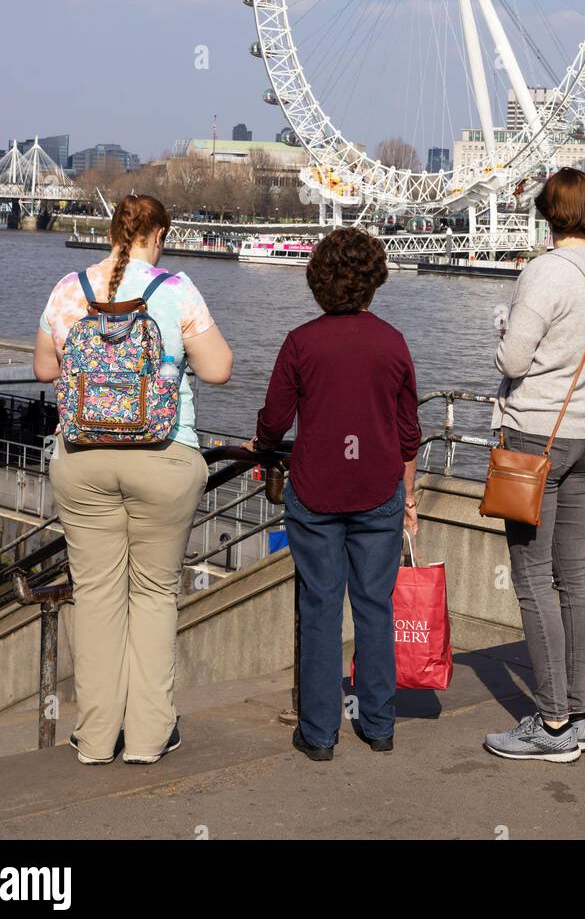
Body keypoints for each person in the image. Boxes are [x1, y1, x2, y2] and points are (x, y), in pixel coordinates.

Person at [33, 194, 233, 766]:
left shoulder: (68, 288)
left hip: (82, 457)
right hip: (164, 457)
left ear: (110, 231)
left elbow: (46, 368)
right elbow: (218, 369)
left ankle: (95, 739)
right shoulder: (175, 289)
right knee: (152, 595)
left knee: (95, 597)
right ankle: (148, 738)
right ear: (158, 234)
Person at [248, 227, 420, 761]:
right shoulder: (393, 342)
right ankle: (380, 725)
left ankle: (320, 734)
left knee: (320, 607)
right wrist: (408, 499)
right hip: (378, 491)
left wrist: (261, 445)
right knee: (375, 607)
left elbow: (274, 422)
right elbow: (408, 433)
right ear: (375, 282)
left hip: (316, 491)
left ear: (318, 281)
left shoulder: (301, 343)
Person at [484, 169, 585, 764]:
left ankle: (550, 722)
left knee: (531, 576)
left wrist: (501, 330)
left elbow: (516, 356)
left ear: (549, 213)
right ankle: (576, 713)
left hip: (534, 433)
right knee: (574, 573)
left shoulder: (544, 271)